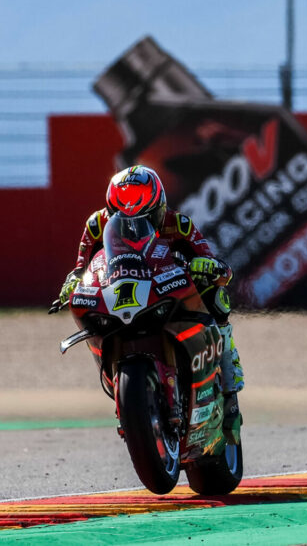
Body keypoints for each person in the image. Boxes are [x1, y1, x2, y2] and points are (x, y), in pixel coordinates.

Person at [53, 165, 244, 440]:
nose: (132, 225)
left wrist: (205, 266)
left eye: (145, 216)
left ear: (160, 206)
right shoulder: (96, 225)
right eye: (120, 216)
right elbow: (82, 267)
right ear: (110, 210)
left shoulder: (178, 224)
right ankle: (125, 392)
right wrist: (72, 282)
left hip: (167, 284)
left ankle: (229, 380)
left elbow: (215, 264)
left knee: (217, 297)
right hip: (120, 291)